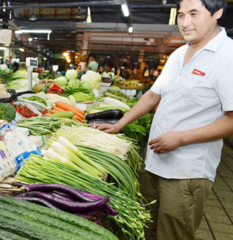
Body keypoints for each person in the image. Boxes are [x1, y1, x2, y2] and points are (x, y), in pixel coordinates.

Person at [93, 0, 232, 239]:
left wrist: (181, 138)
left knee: (173, 234)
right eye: (180, 15)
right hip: (156, 162)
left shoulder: (226, 56)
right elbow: (152, 95)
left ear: (217, 12)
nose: (185, 23)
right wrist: (119, 125)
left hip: (187, 172)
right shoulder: (180, 52)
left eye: (194, 14)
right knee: (146, 228)